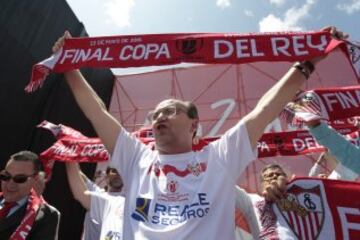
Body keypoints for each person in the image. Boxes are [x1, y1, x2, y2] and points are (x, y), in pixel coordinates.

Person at [52, 27, 344, 239]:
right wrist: (69, 67)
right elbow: (96, 111)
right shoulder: (135, 157)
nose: (159, 118)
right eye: (155, 115)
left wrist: (306, 64)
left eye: (170, 111)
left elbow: (265, 110)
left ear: (194, 125)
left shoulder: (219, 158)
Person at [0, 151, 60, 240]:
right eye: (6, 176)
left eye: (20, 179)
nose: (10, 184)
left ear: (35, 179)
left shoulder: (46, 215)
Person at [65, 162, 125, 240]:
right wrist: (70, 159)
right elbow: (79, 175)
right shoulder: (97, 193)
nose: (118, 175)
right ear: (106, 177)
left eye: (121, 172)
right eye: (114, 171)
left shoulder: (130, 202)